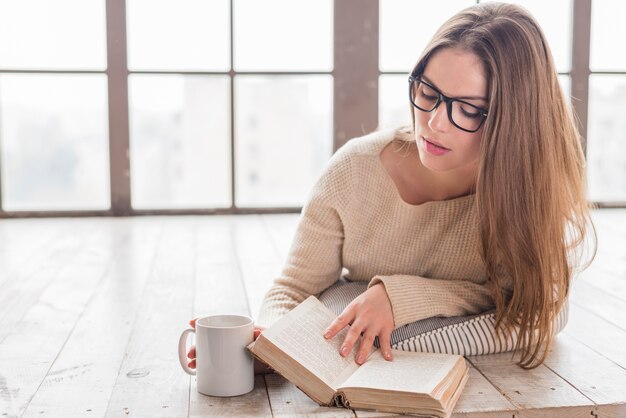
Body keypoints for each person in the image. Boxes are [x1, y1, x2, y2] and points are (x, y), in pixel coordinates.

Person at [187, 1, 595, 372]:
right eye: (427, 92)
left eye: (468, 110)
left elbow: (542, 312)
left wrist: (399, 299)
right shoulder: (355, 171)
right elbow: (292, 290)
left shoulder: (527, 190)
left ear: (511, 120)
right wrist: (275, 346)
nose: (434, 122)